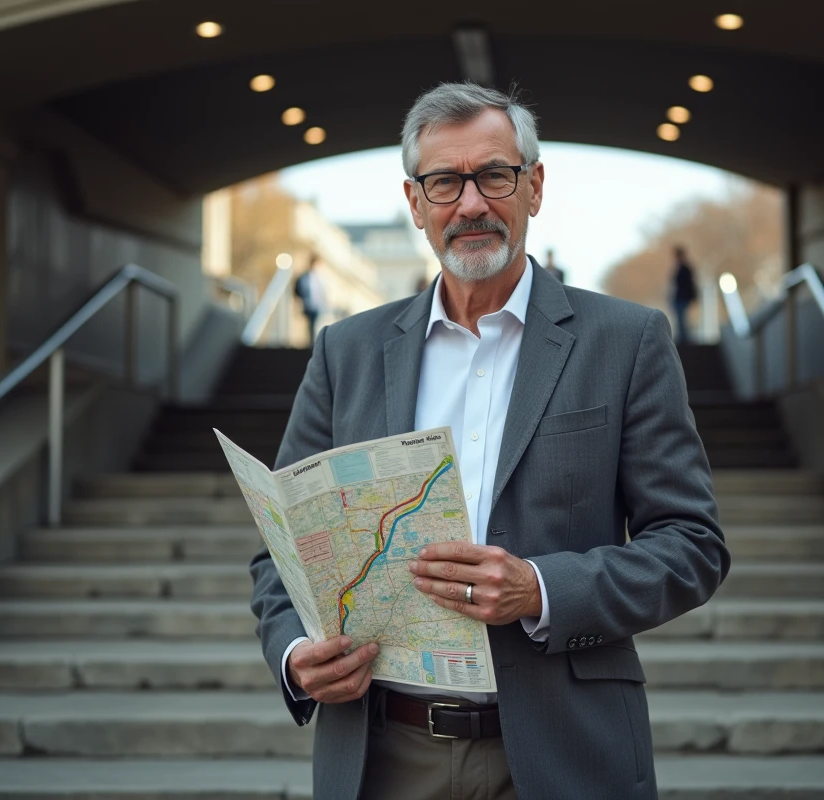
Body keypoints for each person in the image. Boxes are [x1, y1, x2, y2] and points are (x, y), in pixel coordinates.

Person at [250, 82, 728, 800]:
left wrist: (540, 589)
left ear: (533, 187)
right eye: (444, 182)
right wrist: (294, 655)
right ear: (416, 204)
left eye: (494, 176)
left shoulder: (626, 343)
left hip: (565, 753)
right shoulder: (345, 352)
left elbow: (692, 545)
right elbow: (279, 546)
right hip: (381, 757)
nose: (470, 204)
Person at [294, 255, 325, 346]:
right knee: (311, 325)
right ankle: (311, 344)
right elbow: (300, 290)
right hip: (309, 305)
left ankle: (314, 343)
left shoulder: (320, 278)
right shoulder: (305, 277)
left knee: (316, 325)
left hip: (318, 305)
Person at [670, 245, 698, 344]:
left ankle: (684, 338)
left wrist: (692, 296)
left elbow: (690, 284)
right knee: (680, 318)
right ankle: (683, 337)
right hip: (680, 297)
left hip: (682, 297)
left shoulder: (685, 269)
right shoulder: (682, 268)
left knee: (682, 318)